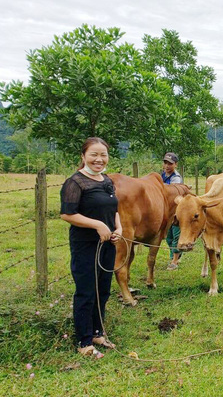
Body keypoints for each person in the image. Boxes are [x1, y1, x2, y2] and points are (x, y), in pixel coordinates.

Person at [60, 137, 122, 356]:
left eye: (103, 155)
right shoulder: (75, 182)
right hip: (85, 245)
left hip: (107, 244)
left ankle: (97, 332)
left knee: (103, 289)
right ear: (83, 156)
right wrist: (96, 224)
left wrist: (118, 229)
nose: (99, 159)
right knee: (86, 291)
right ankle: (84, 342)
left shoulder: (106, 180)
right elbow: (67, 214)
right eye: (94, 154)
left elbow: (114, 209)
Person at [161, 152, 183, 270]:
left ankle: (175, 261)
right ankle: (175, 256)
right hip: (166, 210)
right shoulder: (162, 175)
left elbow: (170, 192)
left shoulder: (176, 178)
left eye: (170, 163)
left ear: (175, 164)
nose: (167, 166)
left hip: (176, 211)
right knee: (168, 237)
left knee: (176, 235)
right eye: (165, 163)